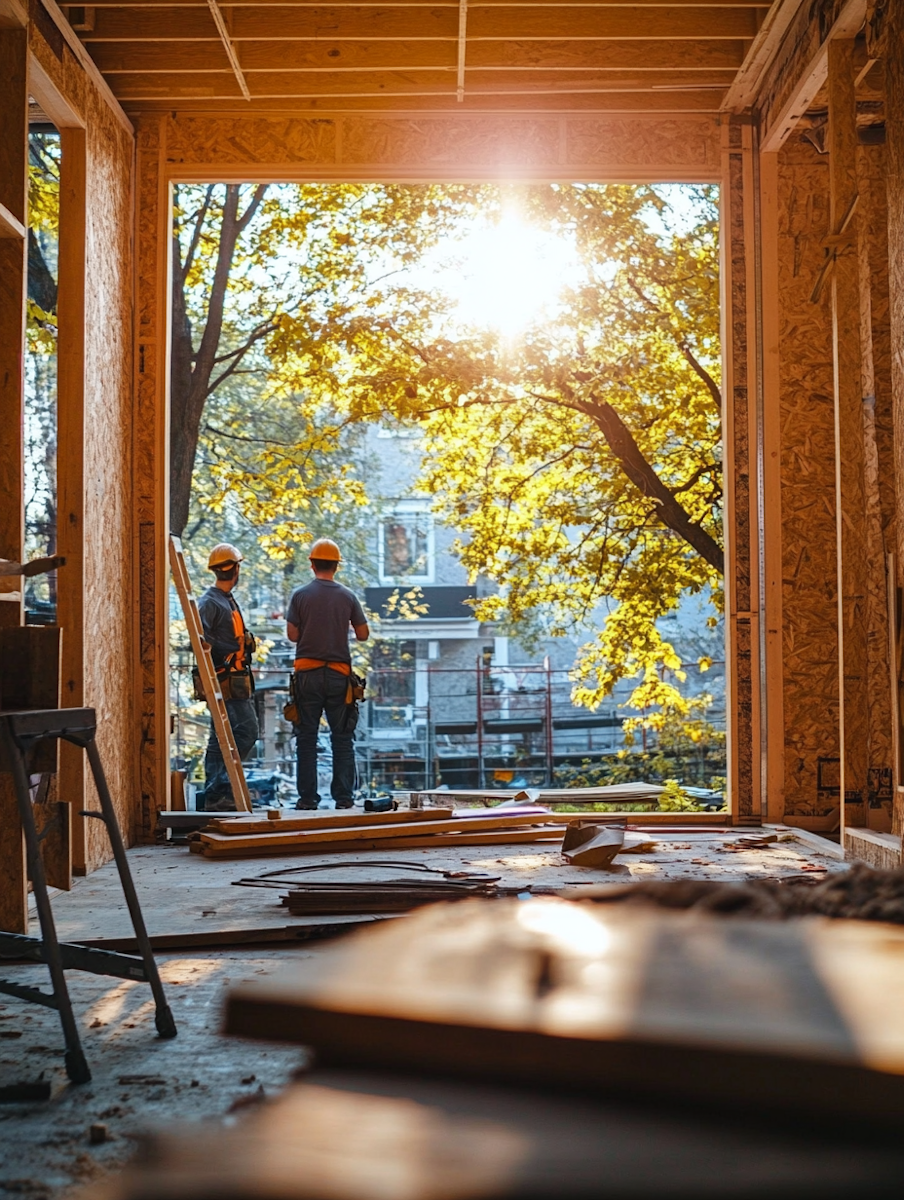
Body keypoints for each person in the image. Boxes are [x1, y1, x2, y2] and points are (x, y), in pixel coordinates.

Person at [286, 538, 369, 810]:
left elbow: (292, 635)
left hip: (307, 675)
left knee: (306, 739)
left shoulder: (299, 595)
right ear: (336, 566)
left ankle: (307, 799)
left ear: (311, 564)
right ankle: (343, 798)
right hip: (338, 676)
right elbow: (363, 635)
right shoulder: (347, 596)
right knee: (342, 738)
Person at [197, 543, 259, 811]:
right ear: (235, 569)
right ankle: (220, 788)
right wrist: (223, 660)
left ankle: (215, 796)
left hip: (234, 678)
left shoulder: (225, 600)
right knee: (246, 731)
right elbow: (200, 641)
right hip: (225, 680)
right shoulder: (210, 602)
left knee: (218, 738)